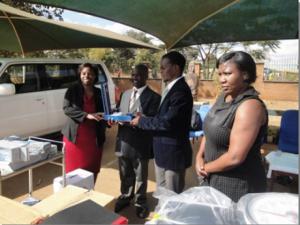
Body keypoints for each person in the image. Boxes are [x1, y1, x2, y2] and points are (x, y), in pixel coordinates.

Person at [195, 51, 268, 202]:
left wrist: (205, 168)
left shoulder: (250, 106)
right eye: (220, 74)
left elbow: (235, 157)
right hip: (213, 178)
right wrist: (199, 156)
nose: (222, 80)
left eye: (227, 74)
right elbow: (209, 129)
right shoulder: (224, 97)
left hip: (237, 186)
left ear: (245, 75)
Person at [131, 51, 193, 194]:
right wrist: (145, 117)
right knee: (162, 194)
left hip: (173, 155)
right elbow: (162, 117)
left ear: (176, 68)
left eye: (163, 67)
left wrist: (142, 121)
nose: (161, 71)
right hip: (163, 152)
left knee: (171, 198)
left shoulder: (180, 92)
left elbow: (167, 122)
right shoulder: (171, 88)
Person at [114, 64, 161, 218]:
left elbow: (155, 120)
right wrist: (115, 118)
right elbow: (120, 112)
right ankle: (126, 196)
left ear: (146, 76)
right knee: (125, 173)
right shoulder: (125, 94)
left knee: (140, 176)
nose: (135, 78)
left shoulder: (154, 97)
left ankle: (141, 202)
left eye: (139, 75)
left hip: (141, 144)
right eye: (133, 75)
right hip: (124, 140)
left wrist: (140, 119)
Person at [61, 63, 107, 183]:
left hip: (94, 139)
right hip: (75, 139)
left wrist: (110, 118)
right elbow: (67, 108)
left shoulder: (99, 92)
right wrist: (87, 115)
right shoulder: (72, 90)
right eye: (84, 73)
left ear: (95, 76)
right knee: (73, 173)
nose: (87, 76)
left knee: (92, 170)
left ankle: (90, 193)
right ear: (80, 75)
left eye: (90, 73)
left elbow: (105, 111)